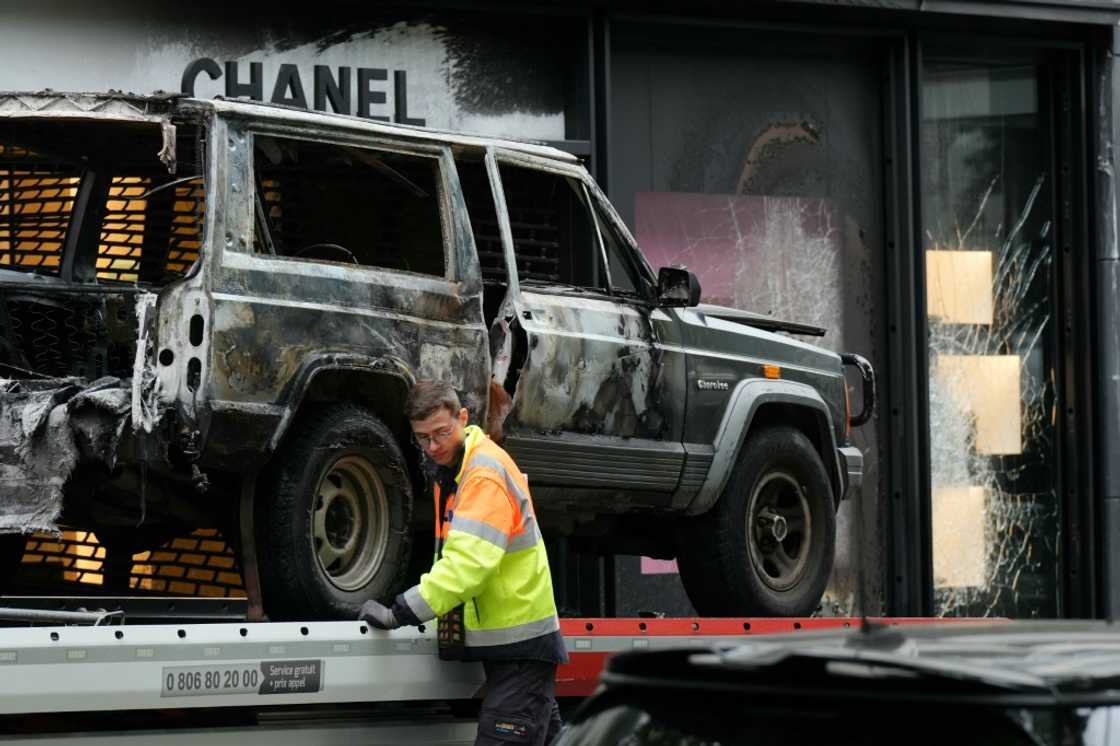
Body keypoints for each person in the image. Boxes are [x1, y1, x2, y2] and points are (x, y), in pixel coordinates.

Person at [358, 380, 567, 746]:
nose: (433, 446)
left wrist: (401, 612)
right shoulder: (458, 470)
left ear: (463, 417)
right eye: (423, 438)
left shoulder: (482, 473)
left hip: (520, 644)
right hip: (515, 643)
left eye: (441, 432)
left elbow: (465, 566)